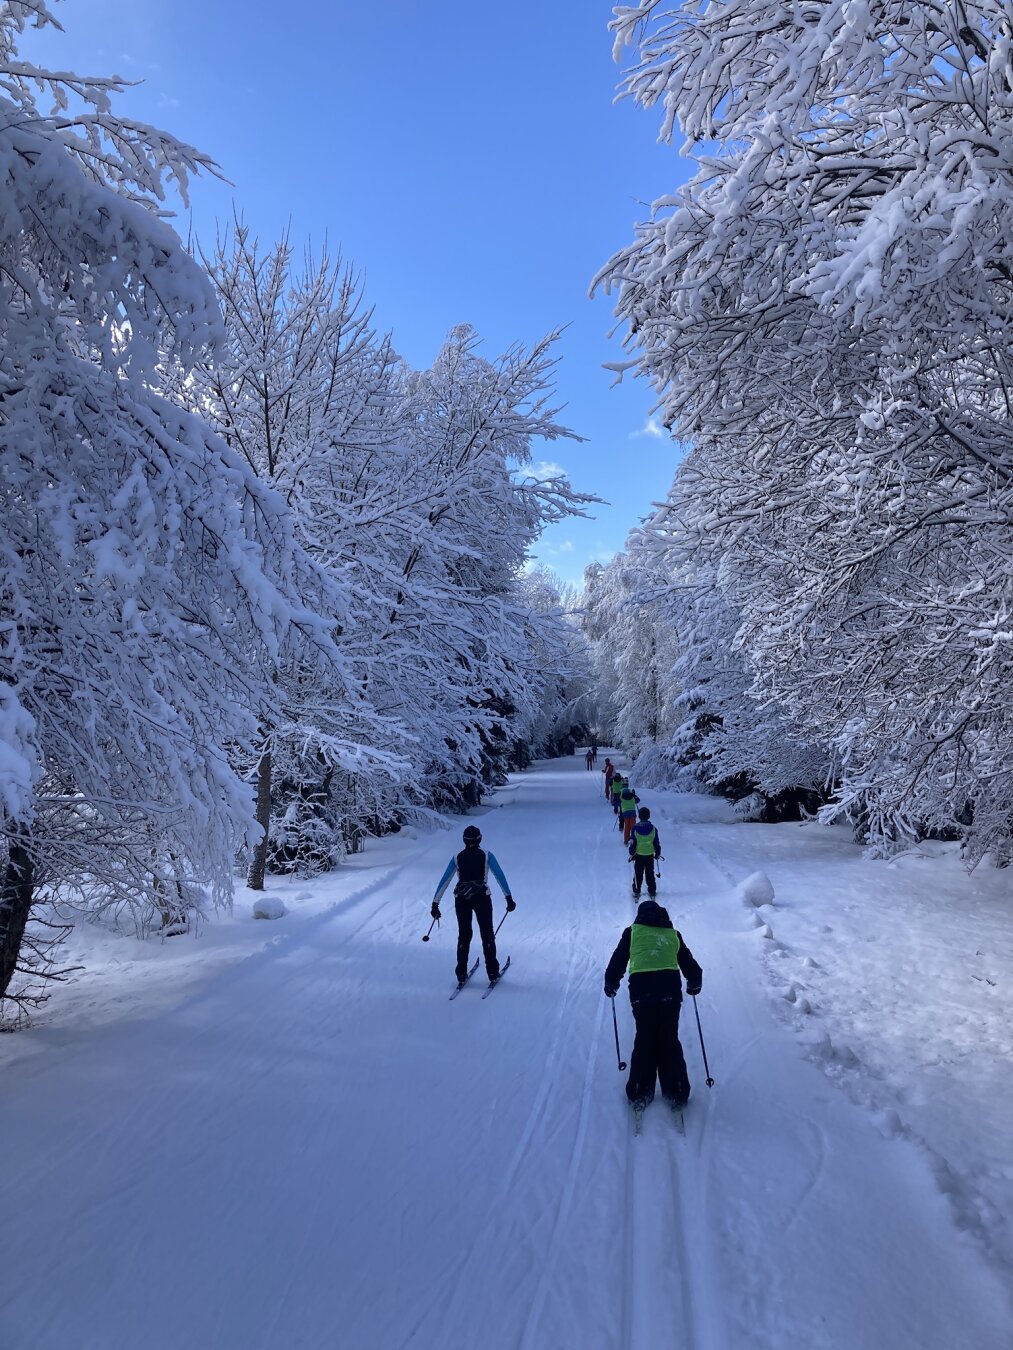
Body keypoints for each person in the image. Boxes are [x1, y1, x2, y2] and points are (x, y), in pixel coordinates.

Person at [604, 900, 702, 1110]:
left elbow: (618, 961)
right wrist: (694, 983)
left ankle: (640, 1090)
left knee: (645, 1037)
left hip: (642, 991)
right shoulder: (672, 934)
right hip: (670, 991)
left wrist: (611, 983)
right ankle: (676, 1090)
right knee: (668, 1038)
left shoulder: (632, 933)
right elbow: (690, 965)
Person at [431, 825, 515, 987]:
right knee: (487, 933)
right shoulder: (487, 855)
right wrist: (508, 898)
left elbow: (445, 881)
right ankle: (492, 972)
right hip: (482, 897)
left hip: (461, 899)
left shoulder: (457, 857)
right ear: (480, 839)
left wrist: (435, 903)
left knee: (464, 934)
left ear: (464, 840)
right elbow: (500, 876)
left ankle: (461, 973)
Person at [628, 806, 661, 897]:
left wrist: (631, 852)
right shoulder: (653, 829)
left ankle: (637, 890)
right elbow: (656, 842)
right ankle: (652, 890)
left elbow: (632, 842)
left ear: (639, 816)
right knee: (650, 873)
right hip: (650, 854)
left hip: (639, 854)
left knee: (638, 873)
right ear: (649, 816)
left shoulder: (635, 828)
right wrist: (657, 853)